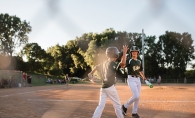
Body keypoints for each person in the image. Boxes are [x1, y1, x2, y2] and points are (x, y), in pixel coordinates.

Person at [88, 45, 128, 118]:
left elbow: (96, 67)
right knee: (117, 105)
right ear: (114, 54)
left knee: (101, 105)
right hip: (110, 87)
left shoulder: (104, 63)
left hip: (103, 88)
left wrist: (90, 73)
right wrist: (124, 53)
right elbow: (122, 64)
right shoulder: (112, 63)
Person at [121, 46, 147, 118]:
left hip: (138, 79)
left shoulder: (139, 61)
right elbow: (123, 65)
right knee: (136, 95)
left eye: (136, 51)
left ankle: (134, 113)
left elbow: (140, 71)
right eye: (133, 51)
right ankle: (124, 106)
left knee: (137, 97)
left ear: (138, 53)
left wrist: (144, 77)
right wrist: (124, 53)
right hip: (131, 79)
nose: (134, 53)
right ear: (131, 53)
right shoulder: (129, 60)